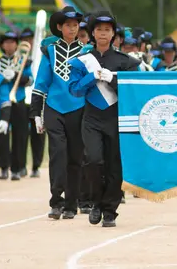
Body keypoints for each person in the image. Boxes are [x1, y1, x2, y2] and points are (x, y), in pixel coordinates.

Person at [68, 11, 140, 227]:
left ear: (114, 34)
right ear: (91, 33)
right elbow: (74, 90)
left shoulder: (125, 61)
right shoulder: (82, 61)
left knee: (113, 165)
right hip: (91, 118)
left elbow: (134, 91)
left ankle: (110, 210)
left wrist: (113, 80)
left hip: (116, 119)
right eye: (98, 29)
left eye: (107, 30)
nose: (103, 33)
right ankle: (96, 203)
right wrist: (92, 76)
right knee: (93, 160)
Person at [30, 6, 86, 220]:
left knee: (75, 157)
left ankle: (72, 204)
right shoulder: (49, 51)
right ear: (60, 27)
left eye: (75, 25)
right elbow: (41, 83)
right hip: (54, 108)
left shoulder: (87, 51)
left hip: (79, 109)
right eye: (68, 25)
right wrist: (36, 112)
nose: (72, 28)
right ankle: (56, 201)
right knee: (57, 154)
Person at [0, 31, 33, 181]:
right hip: (2, 102)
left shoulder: (24, 61)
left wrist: (17, 75)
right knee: (1, 136)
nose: (9, 45)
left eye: (12, 42)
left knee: (20, 136)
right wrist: (2, 76)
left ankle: (17, 168)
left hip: (19, 100)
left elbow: (31, 80)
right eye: (6, 42)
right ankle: (4, 167)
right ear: (2, 45)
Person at [19, 28, 44, 178]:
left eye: (30, 39)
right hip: (23, 100)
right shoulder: (18, 57)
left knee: (38, 135)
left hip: (38, 99)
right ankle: (21, 165)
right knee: (21, 134)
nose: (27, 41)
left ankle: (36, 166)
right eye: (24, 39)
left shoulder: (41, 54)